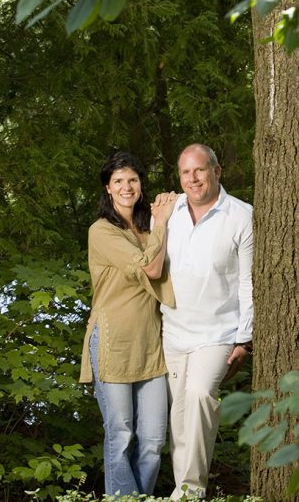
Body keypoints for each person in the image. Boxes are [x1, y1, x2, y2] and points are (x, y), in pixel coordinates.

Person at [79, 151, 178, 497]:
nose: (126, 187)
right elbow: (152, 269)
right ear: (108, 188)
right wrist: (162, 222)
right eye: (118, 181)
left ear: (140, 184)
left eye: (132, 180)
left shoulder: (149, 228)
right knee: (120, 435)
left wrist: (163, 217)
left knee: (153, 440)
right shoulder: (102, 231)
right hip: (112, 342)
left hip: (151, 347)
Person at [161, 143, 254, 500]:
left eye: (200, 170)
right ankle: (182, 489)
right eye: (186, 172)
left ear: (216, 171)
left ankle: (191, 491)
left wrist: (245, 340)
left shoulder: (241, 216)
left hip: (218, 333)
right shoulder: (169, 212)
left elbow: (248, 282)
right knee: (180, 416)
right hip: (173, 332)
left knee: (200, 395)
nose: (193, 178)